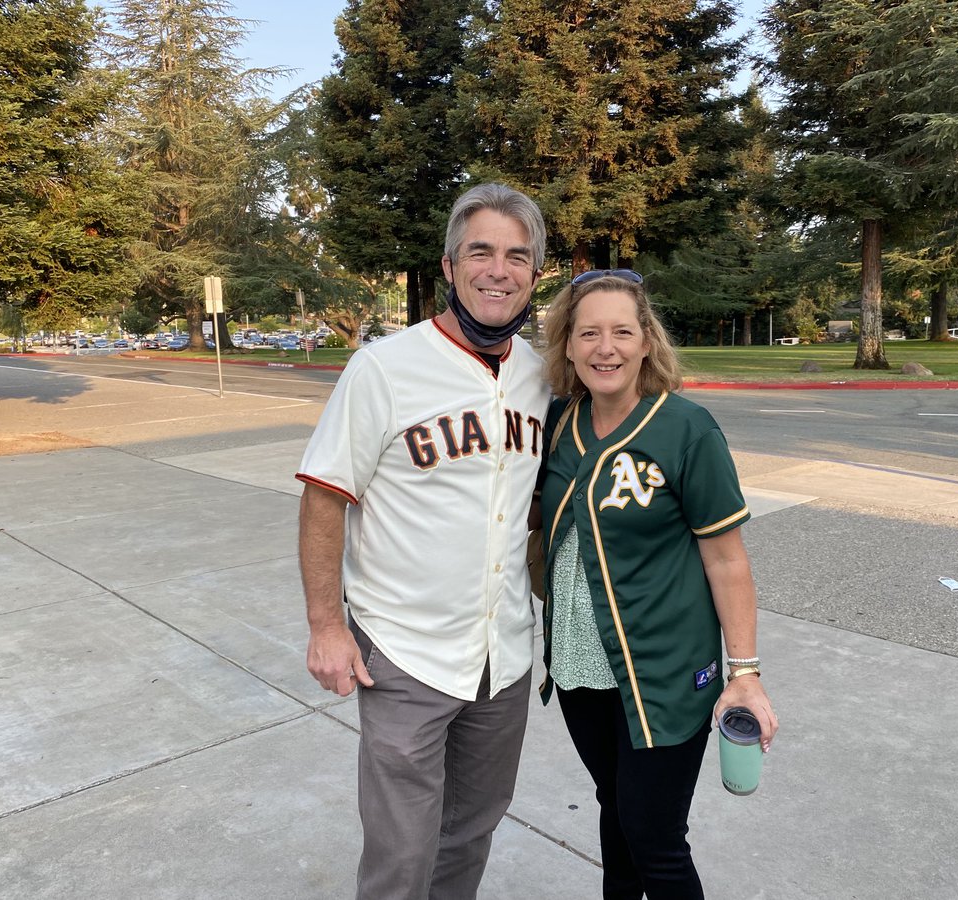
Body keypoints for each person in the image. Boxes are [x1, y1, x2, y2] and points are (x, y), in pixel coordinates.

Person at [296, 183, 551, 900]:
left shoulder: (539, 377)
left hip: (502, 657)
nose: (497, 270)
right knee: (402, 856)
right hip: (404, 654)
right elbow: (324, 499)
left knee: (471, 833)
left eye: (516, 256)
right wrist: (325, 626)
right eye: (481, 252)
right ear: (449, 264)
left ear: (534, 275)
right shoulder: (384, 367)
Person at [537, 269, 779, 899]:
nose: (605, 347)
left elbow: (727, 559)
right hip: (580, 665)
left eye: (622, 331)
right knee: (614, 813)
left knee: (655, 836)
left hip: (663, 671)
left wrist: (745, 671)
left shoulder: (686, 429)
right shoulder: (559, 422)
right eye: (588, 332)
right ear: (567, 344)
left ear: (647, 341)